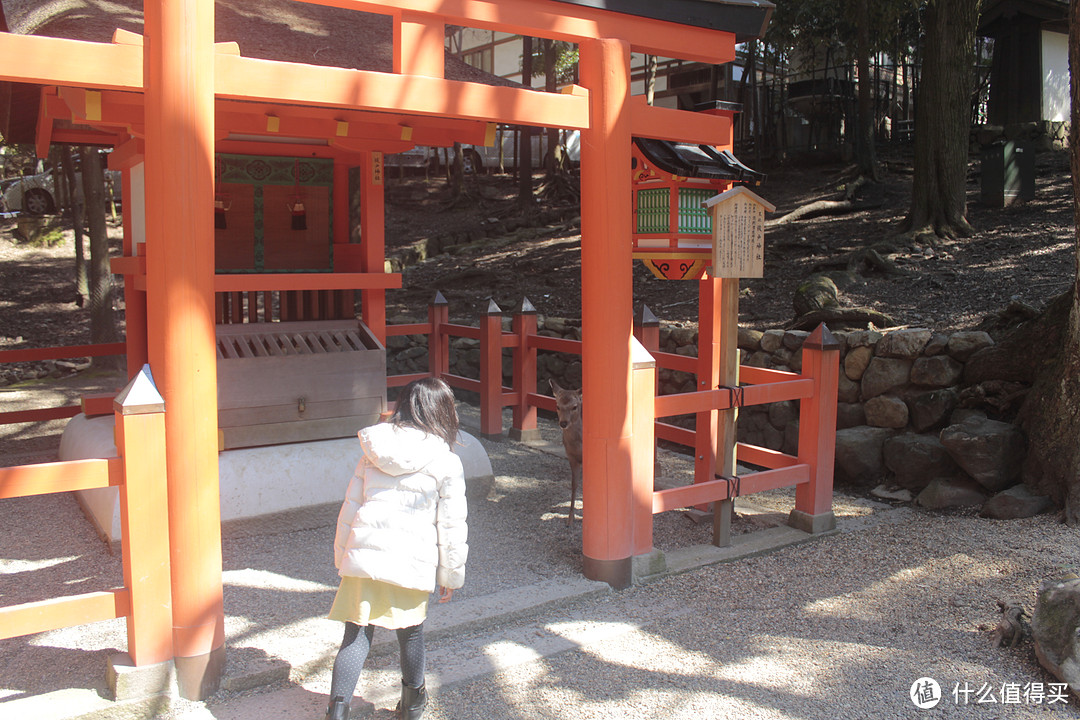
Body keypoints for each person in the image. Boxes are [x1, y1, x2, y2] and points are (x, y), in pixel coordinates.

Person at [323, 377, 468, 720]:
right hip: (412, 558)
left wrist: (343, 555)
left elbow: (351, 507)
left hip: (365, 553)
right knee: (412, 634)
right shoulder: (446, 461)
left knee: (356, 634)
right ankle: (412, 706)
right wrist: (450, 575)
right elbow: (451, 525)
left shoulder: (373, 449)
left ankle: (337, 712)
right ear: (443, 412)